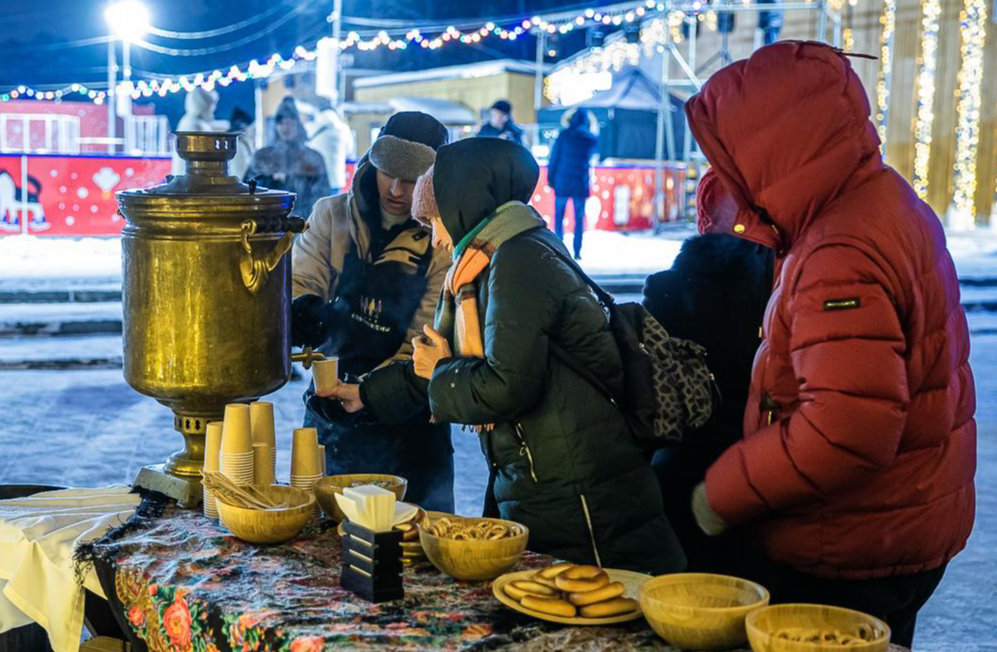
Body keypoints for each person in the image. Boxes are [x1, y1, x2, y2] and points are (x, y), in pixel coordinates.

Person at [685, 41, 976, 648]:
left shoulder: (837, 248)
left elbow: (846, 429)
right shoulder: (876, 196)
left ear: (771, 146)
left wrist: (722, 492)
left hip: (851, 537)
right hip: (903, 517)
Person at [354, 137, 686, 575]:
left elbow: (504, 386)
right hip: (543, 476)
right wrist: (365, 395)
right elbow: (443, 362)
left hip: (579, 490)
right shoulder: (491, 259)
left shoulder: (517, 261)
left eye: (434, 220)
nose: (434, 238)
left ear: (460, 205)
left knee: (605, 621)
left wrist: (440, 371)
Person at [291, 111, 454, 512]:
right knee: (324, 542)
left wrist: (371, 393)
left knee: (413, 537)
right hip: (331, 405)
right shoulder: (332, 215)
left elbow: (428, 333)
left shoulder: (442, 239)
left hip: (410, 415)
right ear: (370, 162)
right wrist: (301, 308)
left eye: (412, 180)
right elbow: (301, 277)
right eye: (387, 172)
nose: (396, 190)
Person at [642, 168, 773, 573]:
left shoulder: (668, 288)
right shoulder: (781, 285)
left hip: (683, 466)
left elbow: (648, 386)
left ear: (703, 218)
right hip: (762, 466)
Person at [244, 98, 329, 219]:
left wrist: (311, 220)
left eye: (289, 122)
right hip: (268, 223)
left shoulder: (313, 157)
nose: (285, 127)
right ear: (275, 126)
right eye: (281, 123)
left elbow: (322, 194)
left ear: (298, 125)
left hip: (304, 223)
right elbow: (248, 189)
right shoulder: (263, 156)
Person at [547, 108, 599, 260]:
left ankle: (558, 248)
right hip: (580, 183)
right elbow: (595, 153)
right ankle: (577, 250)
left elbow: (554, 158)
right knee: (579, 218)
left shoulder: (563, 136)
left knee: (559, 216)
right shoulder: (590, 138)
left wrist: (550, 179)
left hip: (562, 182)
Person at [172, 88, 223, 175]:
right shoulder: (196, 125)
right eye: (211, 105)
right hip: (194, 177)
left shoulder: (189, 121)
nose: (213, 109)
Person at [308, 107, 355, 196]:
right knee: (332, 207)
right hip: (336, 179)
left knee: (315, 207)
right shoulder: (344, 129)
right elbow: (349, 151)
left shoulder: (311, 127)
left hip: (315, 178)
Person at [228, 107, 256, 181]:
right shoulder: (238, 147)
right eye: (252, 128)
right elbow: (239, 175)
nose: (254, 131)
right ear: (243, 127)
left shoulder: (243, 145)